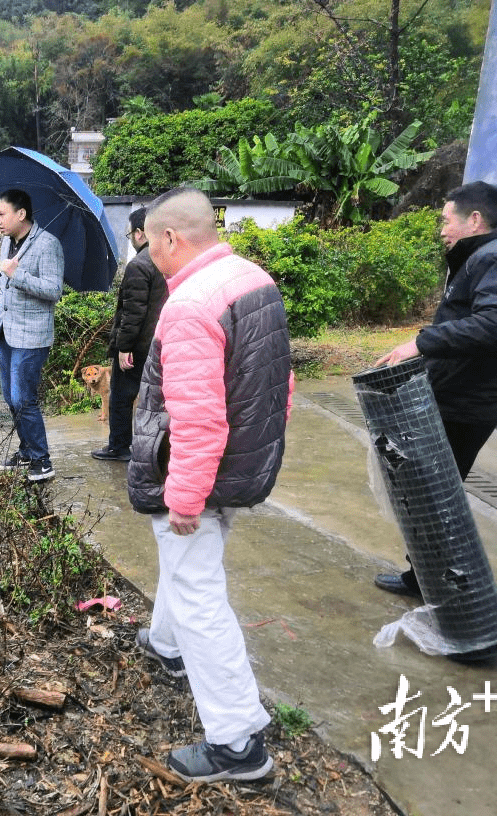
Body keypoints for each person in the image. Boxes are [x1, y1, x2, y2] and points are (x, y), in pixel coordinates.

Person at [128, 187, 292, 783]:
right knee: (187, 566)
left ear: (170, 237)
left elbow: (197, 417)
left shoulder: (191, 305)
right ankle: (165, 646)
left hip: (206, 467)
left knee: (199, 592)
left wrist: (185, 494)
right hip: (242, 459)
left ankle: (237, 743)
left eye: (150, 243)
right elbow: (280, 382)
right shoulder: (253, 279)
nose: (149, 256)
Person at [373, 180, 497, 598]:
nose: (441, 230)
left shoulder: (496, 258)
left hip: (466, 401)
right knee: (435, 495)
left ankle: (449, 593)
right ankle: (426, 579)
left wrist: (421, 342)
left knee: (436, 499)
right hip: (469, 395)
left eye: (445, 220)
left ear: (474, 220)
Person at [0, 189, 65, 482]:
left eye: (1, 214)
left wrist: (16, 275)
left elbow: (53, 290)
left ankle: (42, 461)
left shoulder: (48, 245)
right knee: (11, 397)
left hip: (31, 337)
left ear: (20, 214)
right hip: (5, 331)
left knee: (24, 399)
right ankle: (27, 451)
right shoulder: (7, 242)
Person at [92, 206, 169, 462]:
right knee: (154, 400)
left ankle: (119, 447)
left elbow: (133, 312)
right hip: (160, 343)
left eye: (130, 235)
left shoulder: (139, 265)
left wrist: (123, 347)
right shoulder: (167, 258)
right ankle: (154, 449)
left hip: (136, 347)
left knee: (122, 399)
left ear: (139, 233)